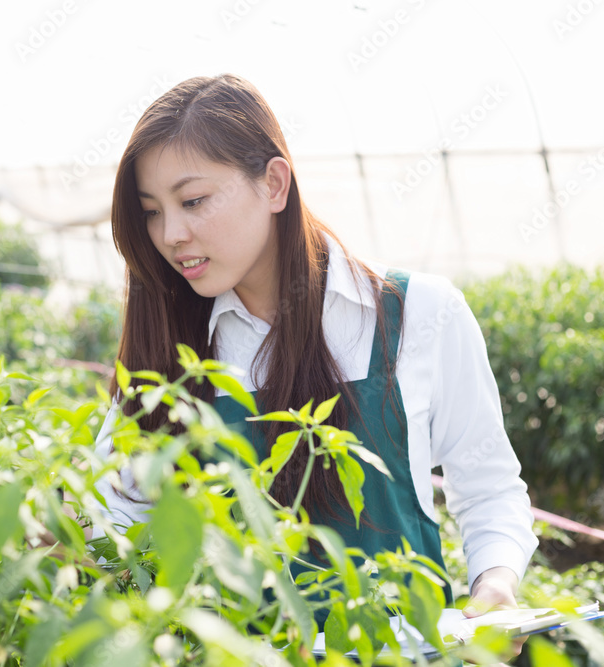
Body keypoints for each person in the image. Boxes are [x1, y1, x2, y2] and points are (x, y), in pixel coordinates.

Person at [90, 73, 538, 658]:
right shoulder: (171, 343)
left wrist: (495, 585)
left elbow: (488, 488)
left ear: (274, 183)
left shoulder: (416, 314)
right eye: (152, 211)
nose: (171, 234)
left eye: (193, 200)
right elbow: (113, 510)